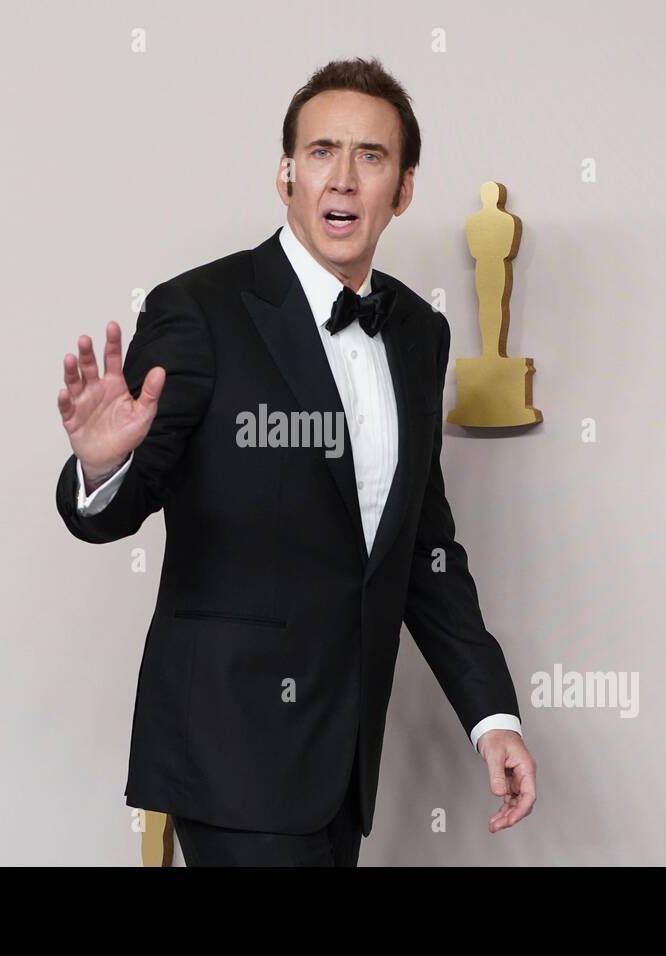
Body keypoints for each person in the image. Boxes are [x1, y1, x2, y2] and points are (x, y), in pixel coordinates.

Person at [56, 57, 536, 866]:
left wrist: (492, 717)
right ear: (286, 174)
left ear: (404, 188)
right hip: (230, 747)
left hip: (344, 759)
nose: (342, 179)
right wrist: (103, 470)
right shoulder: (199, 310)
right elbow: (115, 512)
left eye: (371, 156)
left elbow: (424, 545)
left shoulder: (419, 335)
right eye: (321, 152)